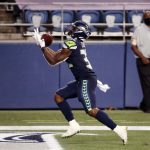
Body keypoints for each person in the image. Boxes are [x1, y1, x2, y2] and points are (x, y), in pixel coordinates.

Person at [33, 20, 127, 144]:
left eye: (73, 28)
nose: (70, 30)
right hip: (83, 79)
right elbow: (55, 56)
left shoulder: (72, 43)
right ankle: (73, 125)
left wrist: (43, 47)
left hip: (85, 80)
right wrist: (43, 46)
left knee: (91, 110)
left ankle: (118, 129)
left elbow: (53, 61)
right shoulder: (77, 43)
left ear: (79, 31)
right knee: (59, 96)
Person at [131, 11, 150, 113]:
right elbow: (133, 46)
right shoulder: (138, 30)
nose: (148, 18)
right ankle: (148, 108)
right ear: (144, 18)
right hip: (143, 60)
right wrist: (142, 57)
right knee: (147, 84)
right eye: (147, 17)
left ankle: (143, 104)